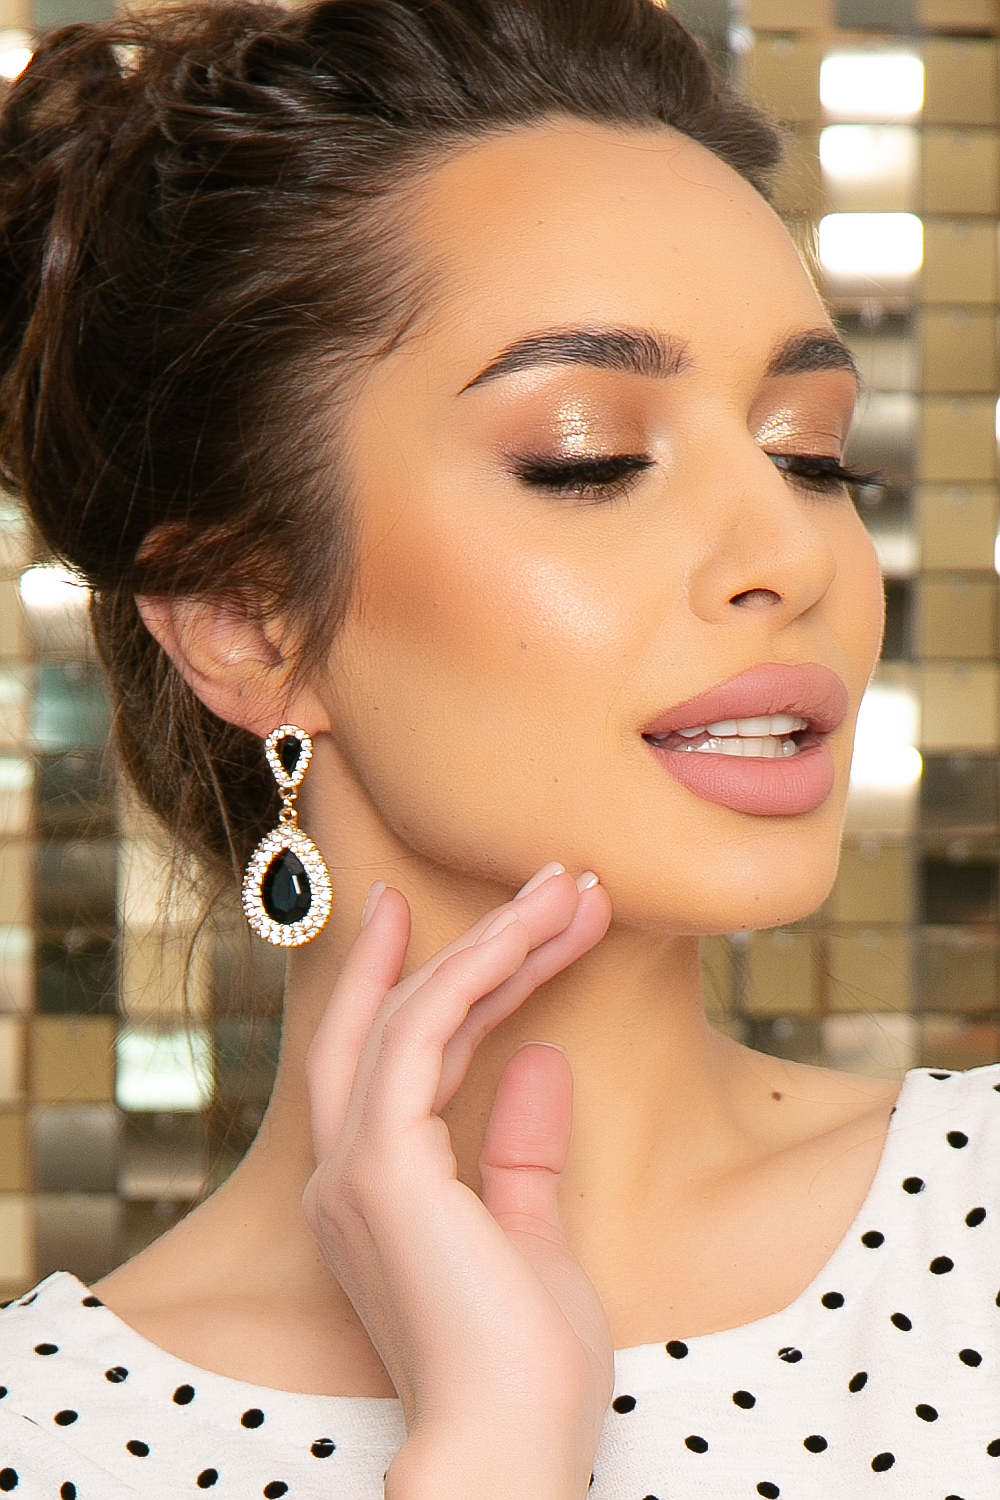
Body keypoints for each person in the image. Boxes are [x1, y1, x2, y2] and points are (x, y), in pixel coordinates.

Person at [0, 1, 997, 1495]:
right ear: (245, 623)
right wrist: (492, 1453)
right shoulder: (42, 1443)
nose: (792, 554)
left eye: (811, 454)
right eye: (587, 459)